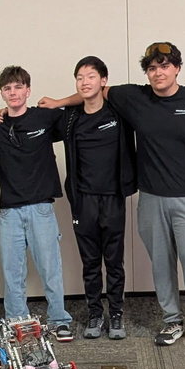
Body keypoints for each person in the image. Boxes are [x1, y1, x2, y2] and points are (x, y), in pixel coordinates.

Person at [40, 41, 185, 354]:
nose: (158, 72)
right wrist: (57, 102)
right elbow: (91, 92)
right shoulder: (134, 97)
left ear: (177, 68)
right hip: (150, 199)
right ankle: (172, 320)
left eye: (165, 66)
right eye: (152, 68)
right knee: (162, 266)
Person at [0, 65, 74, 341]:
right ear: (2, 93)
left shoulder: (45, 117)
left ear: (28, 90)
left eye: (18, 87)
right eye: (8, 88)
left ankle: (59, 319)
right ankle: (17, 320)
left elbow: (84, 104)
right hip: (9, 212)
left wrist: (59, 102)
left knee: (50, 268)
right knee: (12, 271)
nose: (13, 92)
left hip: (41, 208)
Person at [60, 56, 136, 339]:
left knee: (114, 261)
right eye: (79, 77)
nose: (84, 82)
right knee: (90, 262)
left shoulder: (119, 113)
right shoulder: (70, 119)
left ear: (103, 81)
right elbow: (30, 119)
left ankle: (116, 314)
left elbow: (155, 100)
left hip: (113, 198)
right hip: (84, 201)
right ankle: (95, 313)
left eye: (90, 76)